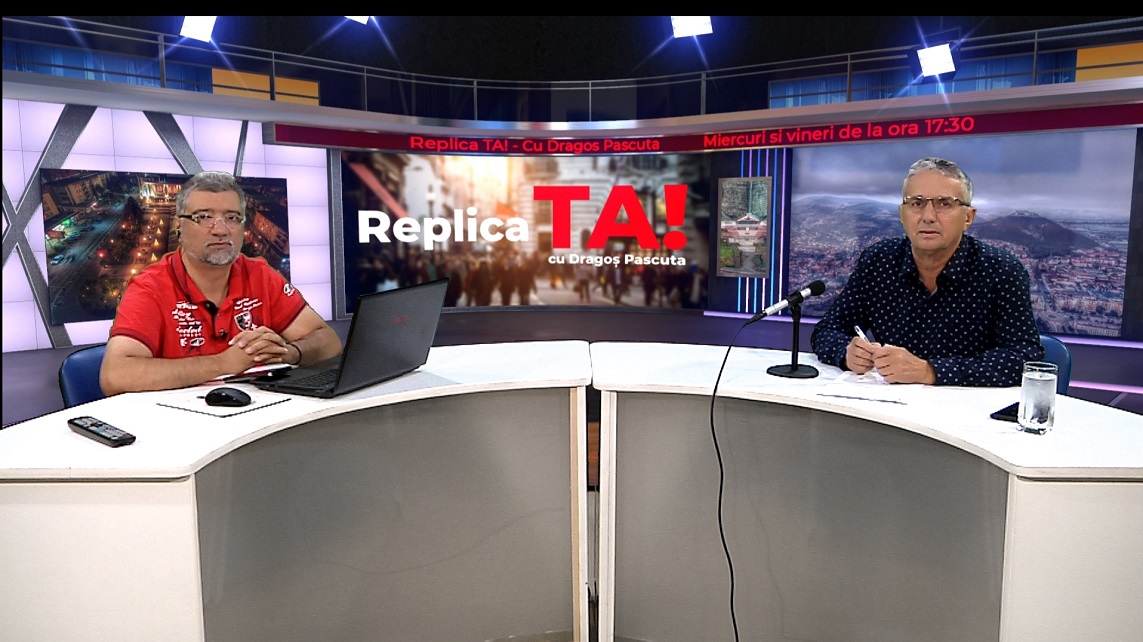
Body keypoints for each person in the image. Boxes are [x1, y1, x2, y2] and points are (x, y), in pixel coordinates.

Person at [100, 171, 342, 395]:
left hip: (258, 413)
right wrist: (223, 363)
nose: (221, 230)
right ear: (179, 226)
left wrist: (286, 353)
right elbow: (116, 375)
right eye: (204, 217)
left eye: (232, 217)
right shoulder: (150, 287)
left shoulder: (260, 275)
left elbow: (328, 341)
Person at [810, 157, 1042, 386]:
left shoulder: (1002, 271)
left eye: (944, 204)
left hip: (966, 404)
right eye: (917, 203)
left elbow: (1025, 357)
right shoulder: (879, 261)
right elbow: (828, 329)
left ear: (968, 217)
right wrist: (846, 353)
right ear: (902, 214)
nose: (928, 217)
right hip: (887, 402)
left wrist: (930, 371)